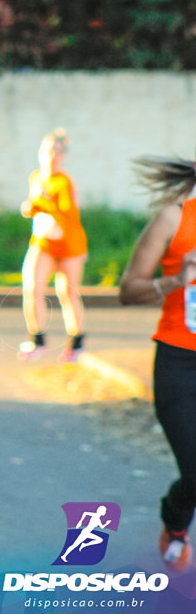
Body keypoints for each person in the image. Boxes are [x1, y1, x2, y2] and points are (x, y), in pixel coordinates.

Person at [119, 153, 196, 571]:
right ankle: (176, 519)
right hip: (180, 363)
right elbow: (128, 291)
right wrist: (174, 281)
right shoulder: (174, 219)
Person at [17, 128, 88, 362]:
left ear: (63, 156)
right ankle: (36, 340)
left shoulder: (64, 182)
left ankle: (76, 344)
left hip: (69, 244)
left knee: (67, 292)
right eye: (48, 150)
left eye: (56, 152)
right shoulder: (36, 177)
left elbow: (67, 214)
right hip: (44, 242)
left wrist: (43, 205)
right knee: (31, 288)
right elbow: (36, 207)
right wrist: (31, 207)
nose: (51, 156)